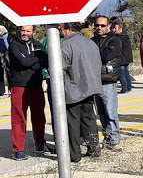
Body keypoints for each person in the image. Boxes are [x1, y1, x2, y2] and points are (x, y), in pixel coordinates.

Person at [59, 22, 102, 163]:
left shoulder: (65, 45)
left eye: (61, 28)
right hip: (90, 87)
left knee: (72, 123)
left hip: (73, 89)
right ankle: (94, 148)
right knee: (89, 118)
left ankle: (74, 155)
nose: (60, 30)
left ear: (68, 28)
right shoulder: (90, 43)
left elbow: (60, 68)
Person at [8, 25, 49, 160]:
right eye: (23, 30)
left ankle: (40, 143)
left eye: (28, 31)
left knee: (39, 117)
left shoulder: (38, 45)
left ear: (33, 32)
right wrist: (37, 61)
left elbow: (46, 61)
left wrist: (33, 62)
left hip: (36, 85)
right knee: (19, 118)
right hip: (19, 85)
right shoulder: (14, 45)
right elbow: (23, 62)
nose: (24, 33)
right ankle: (18, 149)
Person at [92, 15, 123, 150]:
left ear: (109, 26)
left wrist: (94, 54)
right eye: (97, 25)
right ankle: (107, 137)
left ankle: (114, 139)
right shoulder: (92, 41)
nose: (99, 28)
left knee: (110, 111)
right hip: (95, 80)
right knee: (101, 112)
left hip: (108, 80)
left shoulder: (115, 40)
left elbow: (107, 56)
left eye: (102, 25)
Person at [110, 17, 134, 93]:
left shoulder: (118, 37)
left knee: (122, 74)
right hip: (127, 57)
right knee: (126, 73)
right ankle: (129, 87)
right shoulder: (125, 35)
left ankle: (124, 88)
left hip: (121, 58)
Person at [0, 25, 12, 98]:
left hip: (9, 57)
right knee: (1, 75)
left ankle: (11, 90)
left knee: (10, 73)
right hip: (1, 58)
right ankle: (1, 91)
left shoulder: (9, 37)